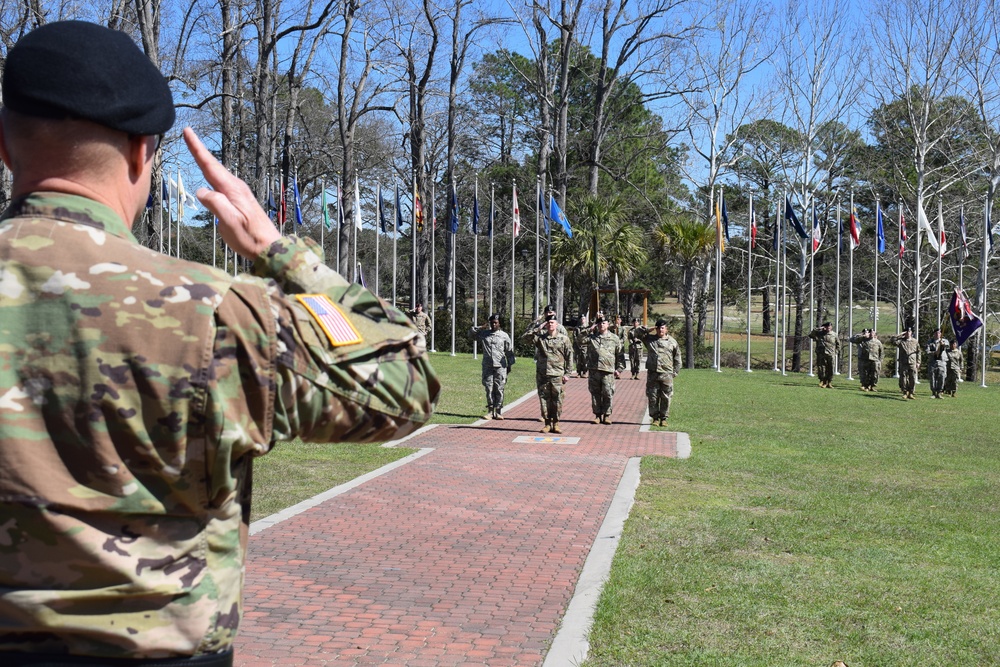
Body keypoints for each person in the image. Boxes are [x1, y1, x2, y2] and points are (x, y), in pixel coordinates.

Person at [0, 20, 440, 665]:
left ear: (4, 147)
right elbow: (404, 384)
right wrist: (281, 253)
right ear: (140, 153)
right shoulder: (215, 313)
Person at [522, 314, 573, 433]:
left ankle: (556, 423)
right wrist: (537, 327)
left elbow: (570, 356)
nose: (550, 325)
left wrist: (568, 374)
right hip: (543, 374)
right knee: (544, 399)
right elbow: (525, 338)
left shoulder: (564, 339)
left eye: (553, 322)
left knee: (558, 400)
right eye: (548, 323)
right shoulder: (540, 338)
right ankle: (547, 423)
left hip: (557, 374)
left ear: (557, 324)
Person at [635, 319, 681, 426]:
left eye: (662, 328)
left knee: (666, 396)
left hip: (667, 373)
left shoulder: (672, 342)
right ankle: (655, 418)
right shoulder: (650, 339)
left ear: (666, 329)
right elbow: (636, 333)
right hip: (653, 373)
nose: (660, 330)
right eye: (658, 328)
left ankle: (663, 418)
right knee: (653, 396)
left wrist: (675, 372)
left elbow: (677, 358)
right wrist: (647, 329)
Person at [469, 313, 514, 419]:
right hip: (488, 365)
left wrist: (509, 365)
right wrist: (480, 327)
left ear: (499, 324)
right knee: (489, 388)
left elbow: (509, 351)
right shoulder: (484, 334)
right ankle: (490, 410)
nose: (494, 325)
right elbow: (471, 334)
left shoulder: (504, 336)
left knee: (499, 388)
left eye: (496, 323)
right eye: (492, 323)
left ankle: (498, 411)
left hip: (501, 366)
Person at [586, 315, 626, 424]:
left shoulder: (614, 338)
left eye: (603, 323)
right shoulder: (592, 338)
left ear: (608, 324)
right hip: (594, 370)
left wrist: (619, 369)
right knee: (595, 393)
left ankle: (607, 415)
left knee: (608, 393)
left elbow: (620, 354)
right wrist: (589, 329)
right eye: (599, 323)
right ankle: (598, 415)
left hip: (608, 371)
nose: (601, 325)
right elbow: (579, 340)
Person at [889, 328, 921, 399]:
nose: (908, 333)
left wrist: (918, 362)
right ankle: (905, 392)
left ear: (911, 332)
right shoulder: (901, 341)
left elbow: (918, 352)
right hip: (903, 362)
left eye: (909, 331)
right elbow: (892, 341)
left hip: (912, 362)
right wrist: (900, 335)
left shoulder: (915, 341)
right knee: (903, 378)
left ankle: (911, 393)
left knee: (912, 378)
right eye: (906, 332)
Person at [808, 321, 840, 388]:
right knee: (821, 368)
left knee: (831, 368)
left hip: (831, 354)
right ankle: (822, 381)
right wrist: (818, 329)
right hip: (821, 353)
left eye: (829, 327)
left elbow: (838, 344)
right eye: (827, 327)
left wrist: (836, 352)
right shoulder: (819, 333)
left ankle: (829, 382)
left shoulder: (834, 334)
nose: (828, 328)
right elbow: (811, 335)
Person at [927, 333, 950, 399]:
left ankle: (939, 392)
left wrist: (942, 344)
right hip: (933, 362)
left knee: (942, 377)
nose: (938, 334)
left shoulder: (944, 341)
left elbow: (947, 346)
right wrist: (934, 353)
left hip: (942, 362)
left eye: (939, 333)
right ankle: (934, 393)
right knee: (932, 377)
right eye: (936, 333)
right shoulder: (930, 342)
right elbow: (927, 351)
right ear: (934, 334)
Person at [573, 313, 590, 378]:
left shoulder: (587, 328)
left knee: (585, 359)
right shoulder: (577, 328)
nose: (582, 320)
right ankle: (579, 372)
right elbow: (574, 336)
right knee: (578, 359)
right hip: (578, 346)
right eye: (581, 319)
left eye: (584, 318)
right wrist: (577, 343)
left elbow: (589, 336)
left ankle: (585, 372)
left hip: (585, 346)